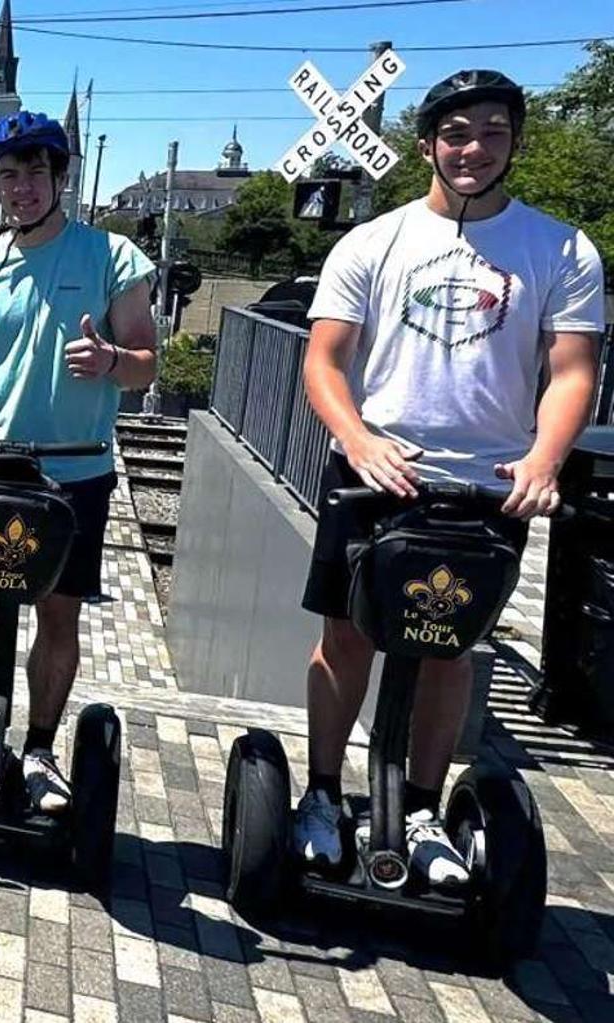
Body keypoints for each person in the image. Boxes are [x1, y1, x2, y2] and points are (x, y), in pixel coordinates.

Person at [290, 70, 603, 886]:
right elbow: (323, 359)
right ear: (427, 143)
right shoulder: (372, 241)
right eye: (456, 132)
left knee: (449, 651)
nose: (473, 149)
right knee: (345, 638)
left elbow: (573, 371)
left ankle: (423, 810)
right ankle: (323, 795)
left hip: (487, 484)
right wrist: (357, 439)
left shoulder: (561, 249)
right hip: (373, 473)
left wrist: (544, 457)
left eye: (493, 131)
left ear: (515, 143)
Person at [0, 110, 158, 815]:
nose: (21, 188)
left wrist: (114, 360)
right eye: (8, 176)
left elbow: (145, 366)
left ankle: (42, 749)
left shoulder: (112, 257)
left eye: (35, 173)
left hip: (76, 473)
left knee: (58, 616)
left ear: (61, 176)